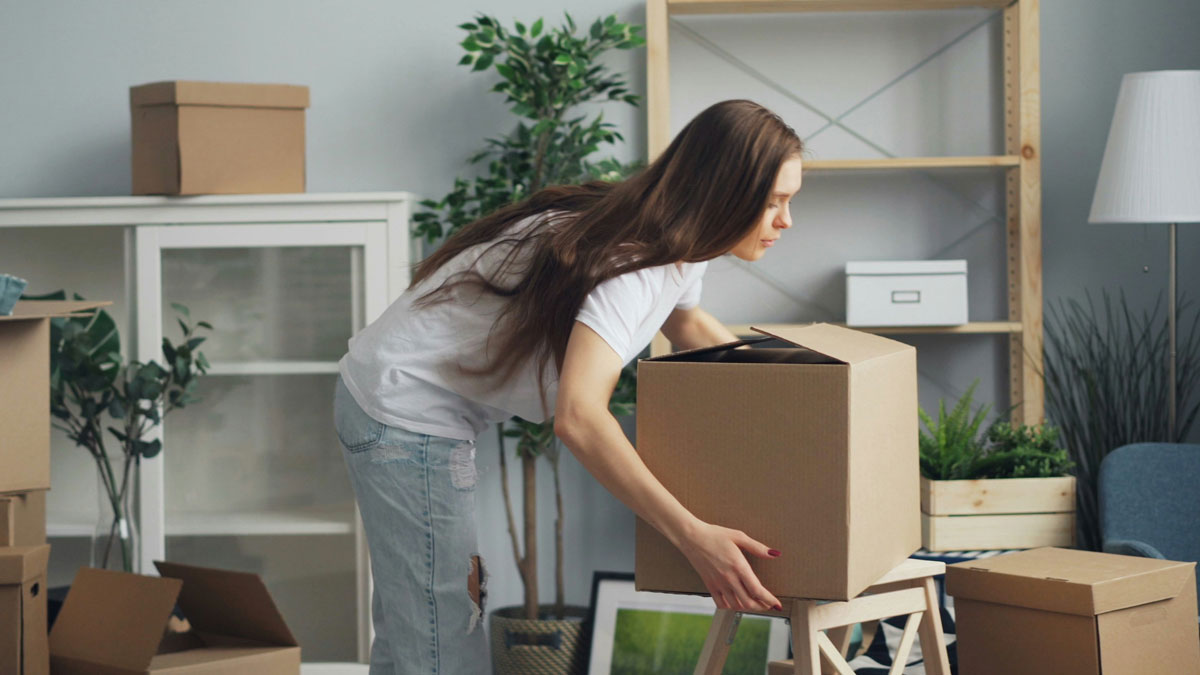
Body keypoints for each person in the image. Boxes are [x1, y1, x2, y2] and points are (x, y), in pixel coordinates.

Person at [333, 98, 804, 674]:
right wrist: (693, 536)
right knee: (437, 635)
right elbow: (579, 417)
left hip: (422, 405)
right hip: (402, 409)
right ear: (723, 193)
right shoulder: (632, 263)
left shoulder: (681, 244)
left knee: (429, 616)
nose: (786, 221)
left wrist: (798, 395)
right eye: (774, 202)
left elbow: (690, 328)